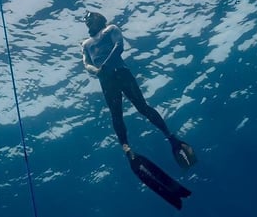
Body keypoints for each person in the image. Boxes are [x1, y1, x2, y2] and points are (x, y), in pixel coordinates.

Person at [81, 11, 196, 169]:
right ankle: (126, 148)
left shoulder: (111, 29)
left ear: (99, 17)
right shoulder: (85, 44)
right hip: (106, 80)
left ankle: (170, 136)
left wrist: (104, 67)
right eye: (85, 20)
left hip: (120, 73)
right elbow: (86, 64)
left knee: (142, 107)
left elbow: (119, 46)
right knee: (116, 115)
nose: (87, 21)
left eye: (90, 17)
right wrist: (97, 71)